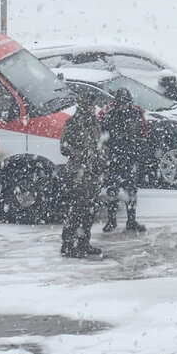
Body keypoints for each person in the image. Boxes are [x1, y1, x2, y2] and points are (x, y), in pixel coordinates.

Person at [60, 88, 105, 259]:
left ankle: (83, 242)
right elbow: (64, 147)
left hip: (92, 174)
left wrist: (100, 159)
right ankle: (69, 244)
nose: (92, 108)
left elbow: (99, 144)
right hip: (78, 173)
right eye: (90, 105)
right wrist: (81, 156)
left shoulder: (94, 123)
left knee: (89, 211)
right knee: (76, 210)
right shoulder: (72, 123)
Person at [99, 86, 148, 234]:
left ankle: (131, 220)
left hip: (129, 157)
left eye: (125, 103)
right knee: (113, 190)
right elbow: (103, 135)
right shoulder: (109, 114)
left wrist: (138, 152)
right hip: (114, 157)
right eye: (121, 103)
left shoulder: (136, 113)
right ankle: (111, 220)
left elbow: (143, 134)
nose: (123, 106)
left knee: (131, 190)